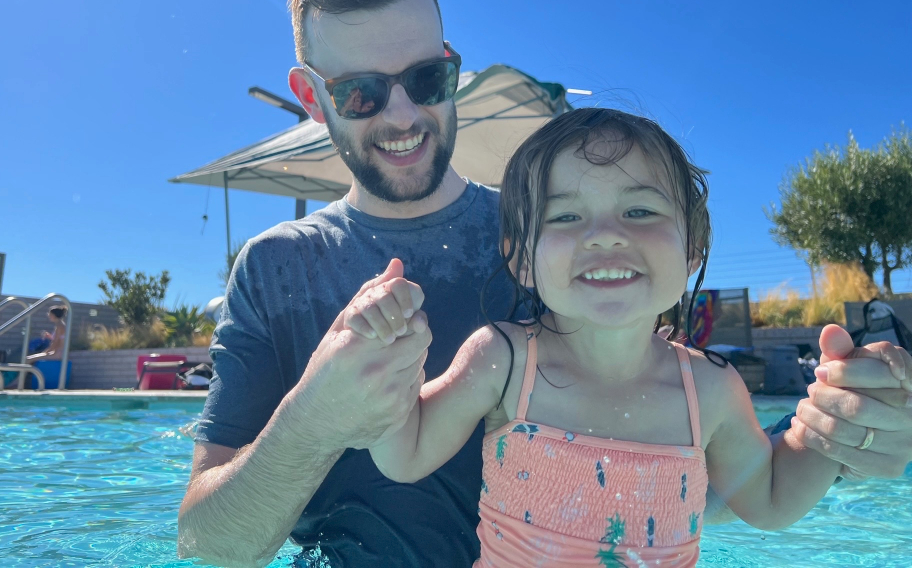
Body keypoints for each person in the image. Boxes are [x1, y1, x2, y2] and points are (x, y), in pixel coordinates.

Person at [177, 0, 912, 568]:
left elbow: (673, 468)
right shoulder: (275, 270)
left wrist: (846, 428)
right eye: (361, 93)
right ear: (312, 97)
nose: (402, 114)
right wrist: (316, 417)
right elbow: (207, 544)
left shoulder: (556, 242)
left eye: (427, 79)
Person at [344, 107, 910, 566]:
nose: (605, 235)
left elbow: (768, 500)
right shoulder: (505, 360)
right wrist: (387, 365)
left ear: (692, 250)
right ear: (522, 259)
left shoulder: (708, 389)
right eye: (565, 217)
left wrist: (833, 423)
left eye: (639, 210)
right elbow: (406, 455)